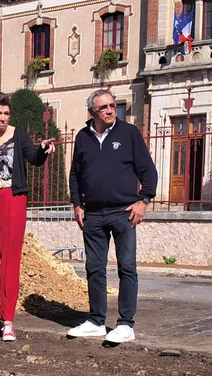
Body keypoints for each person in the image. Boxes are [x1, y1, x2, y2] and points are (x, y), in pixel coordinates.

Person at [66, 89, 157, 344]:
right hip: (92, 214)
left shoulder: (129, 134)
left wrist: (144, 200)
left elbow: (148, 170)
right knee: (94, 268)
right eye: (104, 107)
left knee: (127, 267)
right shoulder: (83, 138)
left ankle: (126, 324)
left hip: (124, 212)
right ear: (92, 112)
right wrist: (77, 204)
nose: (110, 110)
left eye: (112, 105)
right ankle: (96, 321)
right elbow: (75, 174)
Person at [0, 92, 56, 342]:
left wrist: (42, 150)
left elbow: (32, 157)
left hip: (12, 199)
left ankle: (7, 320)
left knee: (10, 259)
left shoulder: (19, 135)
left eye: (6, 113)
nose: (3, 118)